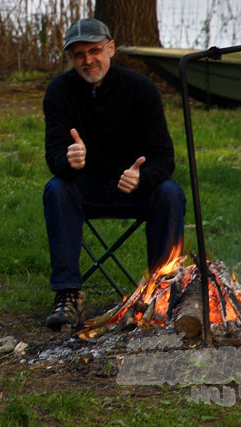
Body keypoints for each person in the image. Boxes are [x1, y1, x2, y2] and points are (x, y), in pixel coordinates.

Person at [42, 18, 186, 331]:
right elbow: (54, 156)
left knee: (170, 192)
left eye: (95, 50)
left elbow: (164, 158)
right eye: (79, 54)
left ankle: (163, 292)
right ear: (72, 58)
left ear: (111, 49)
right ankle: (67, 294)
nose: (88, 60)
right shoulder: (59, 92)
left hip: (133, 190)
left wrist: (142, 177)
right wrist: (70, 160)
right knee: (57, 188)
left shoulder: (141, 90)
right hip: (87, 189)